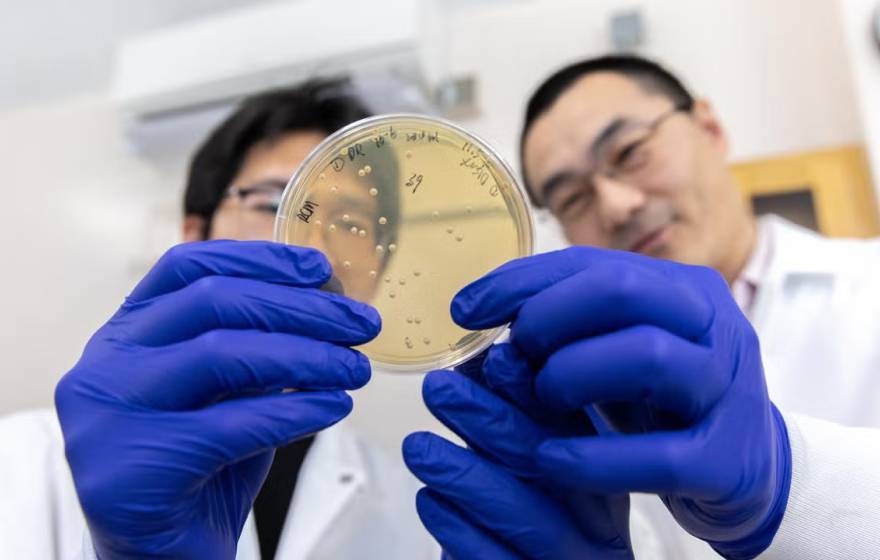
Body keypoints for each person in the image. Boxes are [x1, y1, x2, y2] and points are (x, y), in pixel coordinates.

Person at [402, 55, 880, 559]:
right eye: (573, 199)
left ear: (710, 130)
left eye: (630, 151)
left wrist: (791, 483)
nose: (614, 205)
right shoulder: (573, 399)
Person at [3, 78, 437, 559]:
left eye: (352, 223)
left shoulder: (413, 506)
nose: (310, 240)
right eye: (273, 202)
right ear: (194, 236)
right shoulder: (25, 460)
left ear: (377, 268)